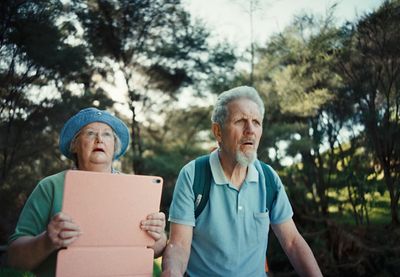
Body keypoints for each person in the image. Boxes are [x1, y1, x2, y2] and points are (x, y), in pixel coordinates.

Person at [161, 86, 322, 276]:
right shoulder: (193, 175)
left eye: (256, 122)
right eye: (240, 121)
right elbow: (178, 245)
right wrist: (172, 272)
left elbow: (292, 242)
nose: (250, 130)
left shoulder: (268, 178)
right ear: (218, 131)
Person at [7, 107, 167, 277]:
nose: (99, 139)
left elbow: (157, 249)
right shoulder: (50, 186)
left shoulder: (136, 188)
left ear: (115, 146)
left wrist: (158, 234)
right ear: (74, 145)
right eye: (90, 133)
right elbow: (15, 259)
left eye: (107, 134)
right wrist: (47, 240)